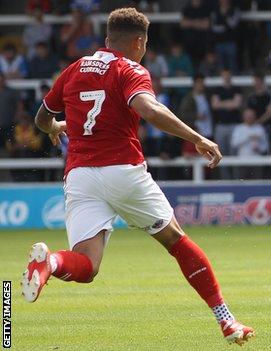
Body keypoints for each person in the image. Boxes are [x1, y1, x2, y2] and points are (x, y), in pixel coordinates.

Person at [21, 8, 254, 346]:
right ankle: (227, 321)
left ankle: (50, 263)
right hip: (123, 171)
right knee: (177, 242)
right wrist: (197, 138)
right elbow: (149, 109)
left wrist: (56, 127)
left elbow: (42, 117)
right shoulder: (130, 69)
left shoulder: (74, 69)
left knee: (86, 264)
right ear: (138, 42)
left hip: (81, 175)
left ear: (105, 40)